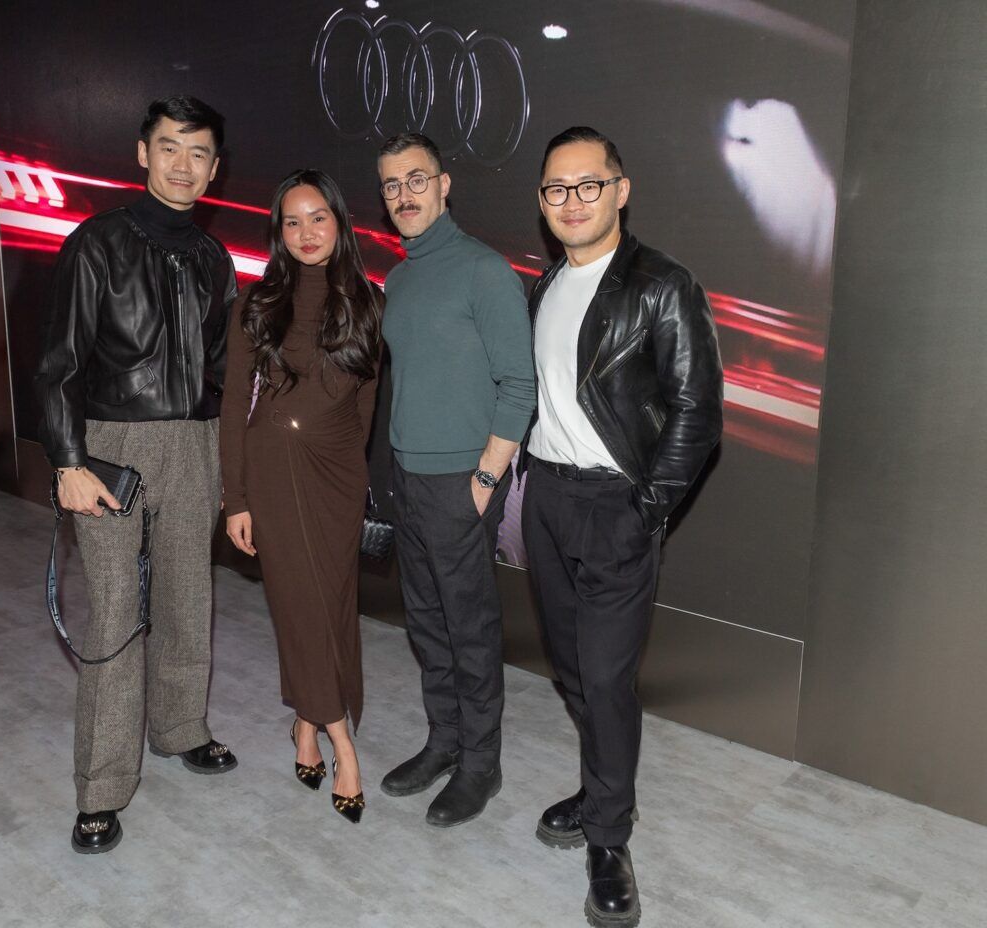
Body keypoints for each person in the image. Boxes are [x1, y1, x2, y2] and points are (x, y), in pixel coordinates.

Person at [521, 126, 723, 927]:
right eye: (556, 190)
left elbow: (698, 414)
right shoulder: (543, 287)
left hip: (616, 507)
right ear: (543, 202)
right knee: (573, 669)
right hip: (546, 503)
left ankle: (610, 836)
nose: (572, 202)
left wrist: (646, 511)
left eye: (588, 185)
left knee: (605, 678)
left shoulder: (662, 285)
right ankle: (600, 784)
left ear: (620, 189)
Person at [36, 95, 239, 854]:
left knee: (190, 598)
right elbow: (57, 364)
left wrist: (231, 459)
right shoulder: (97, 243)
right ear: (142, 154)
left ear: (215, 168)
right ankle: (101, 788)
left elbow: (221, 370)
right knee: (117, 616)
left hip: (196, 444)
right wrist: (67, 461)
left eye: (199, 154)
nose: (184, 166)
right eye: (170, 148)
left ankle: (182, 727)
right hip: (110, 447)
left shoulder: (215, 261)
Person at [375, 133, 536, 826]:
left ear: (445, 186)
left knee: (468, 630)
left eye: (417, 180)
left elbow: (519, 386)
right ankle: (444, 742)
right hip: (410, 481)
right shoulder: (403, 276)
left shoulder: (483, 271)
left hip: (459, 484)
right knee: (428, 625)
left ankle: (481, 765)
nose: (404, 195)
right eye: (391, 185)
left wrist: (484, 479)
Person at [220, 169, 382, 824]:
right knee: (298, 606)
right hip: (272, 476)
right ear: (278, 235)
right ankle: (338, 736)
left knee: (330, 606)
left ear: (339, 224)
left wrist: (349, 473)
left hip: (338, 480)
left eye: (318, 217)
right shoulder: (256, 306)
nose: (306, 232)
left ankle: (305, 724)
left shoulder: (369, 305)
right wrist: (236, 497)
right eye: (292, 222)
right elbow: (234, 407)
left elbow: (365, 412)